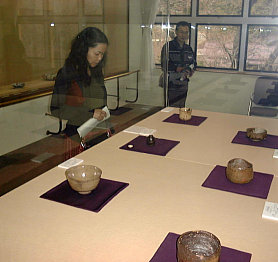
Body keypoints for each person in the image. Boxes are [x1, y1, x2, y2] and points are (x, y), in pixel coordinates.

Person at [50, 27, 111, 159]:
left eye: (102, 54)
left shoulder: (96, 71)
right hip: (78, 136)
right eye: (97, 53)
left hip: (98, 132)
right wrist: (89, 113)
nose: (100, 58)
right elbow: (56, 109)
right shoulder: (67, 73)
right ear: (84, 49)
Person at [161, 21, 197, 108]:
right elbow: (164, 64)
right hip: (171, 82)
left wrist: (191, 70)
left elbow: (194, 63)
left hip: (184, 82)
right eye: (181, 32)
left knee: (182, 106)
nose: (183, 35)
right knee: (171, 107)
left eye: (186, 32)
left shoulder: (188, 48)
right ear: (176, 32)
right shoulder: (168, 46)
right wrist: (178, 69)